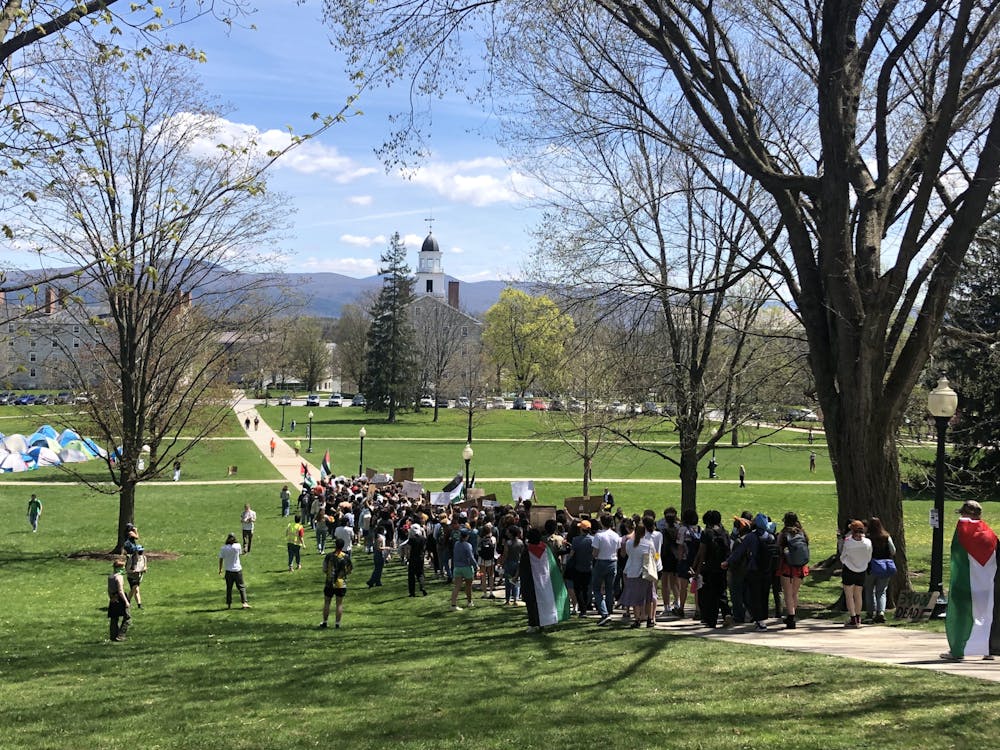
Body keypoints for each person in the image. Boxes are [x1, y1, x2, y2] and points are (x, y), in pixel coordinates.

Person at [943, 500, 1000, 661]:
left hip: (966, 583)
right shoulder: (990, 534)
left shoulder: (962, 529)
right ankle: (987, 650)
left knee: (962, 616)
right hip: (986, 585)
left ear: (965, 513)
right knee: (986, 615)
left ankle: (958, 650)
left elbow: (957, 555)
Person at [620, 517, 658, 628]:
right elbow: (655, 556)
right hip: (646, 573)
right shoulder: (649, 543)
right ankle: (649, 618)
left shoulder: (629, 543)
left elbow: (628, 555)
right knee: (649, 598)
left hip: (632, 572)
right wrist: (656, 562)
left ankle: (637, 619)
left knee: (635, 599)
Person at [777, 512, 810, 629]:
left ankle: (791, 617)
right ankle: (792, 614)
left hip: (787, 566)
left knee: (787, 593)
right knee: (794, 593)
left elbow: (779, 548)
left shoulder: (784, 533)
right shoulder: (802, 533)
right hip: (800, 566)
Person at [591, 513, 621, 626]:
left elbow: (595, 553)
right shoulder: (615, 535)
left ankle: (604, 613)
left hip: (601, 561)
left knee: (597, 589)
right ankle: (609, 610)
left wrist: (594, 556)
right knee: (609, 588)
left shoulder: (599, 536)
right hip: (613, 561)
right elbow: (617, 549)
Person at [840, 520, 872, 628]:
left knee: (849, 595)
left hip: (849, 570)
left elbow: (843, 556)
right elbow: (869, 557)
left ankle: (853, 617)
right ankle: (858, 617)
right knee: (858, 595)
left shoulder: (848, 542)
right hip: (862, 570)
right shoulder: (867, 542)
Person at [865, 516, 896, 624]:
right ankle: (881, 612)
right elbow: (893, 551)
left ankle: (870, 612)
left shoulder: (867, 538)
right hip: (885, 567)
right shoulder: (886, 537)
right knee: (881, 591)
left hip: (871, 567)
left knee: (869, 590)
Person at [320, 537, 353, 629]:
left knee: (327, 602)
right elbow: (350, 569)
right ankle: (337, 623)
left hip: (329, 583)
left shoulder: (329, 556)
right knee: (339, 604)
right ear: (342, 546)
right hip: (341, 583)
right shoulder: (346, 557)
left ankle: (325, 622)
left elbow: (324, 568)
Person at [218, 533, 250, 609]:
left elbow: (221, 559)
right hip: (237, 570)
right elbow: (240, 553)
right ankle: (244, 603)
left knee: (229, 588)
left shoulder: (223, 548)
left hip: (229, 571)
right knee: (241, 587)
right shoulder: (237, 546)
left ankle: (229, 604)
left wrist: (220, 569)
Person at [450, 528, 478, 611]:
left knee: (457, 586)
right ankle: (469, 602)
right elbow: (471, 557)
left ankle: (453, 605)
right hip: (466, 567)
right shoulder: (468, 545)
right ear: (467, 536)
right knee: (468, 586)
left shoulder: (456, 544)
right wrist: (476, 566)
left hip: (457, 567)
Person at [107, 555, 131, 641]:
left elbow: (109, 589)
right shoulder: (119, 577)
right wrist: (126, 601)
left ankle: (113, 636)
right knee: (127, 617)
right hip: (120, 597)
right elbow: (120, 590)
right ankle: (121, 635)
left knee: (114, 618)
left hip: (113, 597)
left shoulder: (110, 577)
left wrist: (111, 598)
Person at [124, 528, 147, 609]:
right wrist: (134, 571)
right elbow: (127, 570)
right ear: (136, 551)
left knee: (136, 590)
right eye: (140, 552)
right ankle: (127, 602)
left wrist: (144, 569)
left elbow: (145, 566)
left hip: (139, 576)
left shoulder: (144, 557)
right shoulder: (131, 559)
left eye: (142, 551)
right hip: (131, 576)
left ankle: (138, 605)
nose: (141, 553)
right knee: (134, 588)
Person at [501, 525, 524, 606]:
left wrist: (502, 563)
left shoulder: (508, 543)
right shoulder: (521, 542)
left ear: (511, 533)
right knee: (516, 581)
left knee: (508, 582)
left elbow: (505, 554)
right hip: (517, 562)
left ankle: (507, 600)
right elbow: (522, 554)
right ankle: (515, 599)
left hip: (509, 563)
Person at [367, 523, 386, 587]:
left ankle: (378, 581)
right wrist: (387, 548)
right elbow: (379, 548)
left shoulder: (377, 536)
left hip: (377, 554)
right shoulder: (380, 538)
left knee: (379, 569)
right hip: (379, 554)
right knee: (378, 569)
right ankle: (371, 581)